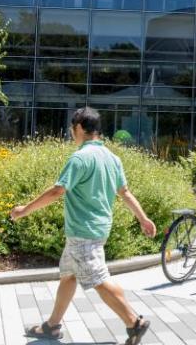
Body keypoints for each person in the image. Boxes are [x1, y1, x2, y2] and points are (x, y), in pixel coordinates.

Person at [10, 107, 157, 345]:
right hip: (94, 230)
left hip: (83, 232)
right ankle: (52, 326)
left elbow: (58, 190)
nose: (71, 132)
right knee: (68, 276)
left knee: (99, 278)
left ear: (78, 127)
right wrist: (143, 218)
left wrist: (24, 210)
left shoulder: (80, 157)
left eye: (72, 128)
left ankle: (134, 322)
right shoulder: (112, 158)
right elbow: (125, 192)